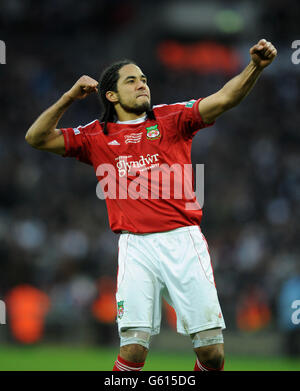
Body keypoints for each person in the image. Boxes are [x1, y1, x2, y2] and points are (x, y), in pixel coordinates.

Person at [25, 39, 277, 371]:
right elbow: (36, 137)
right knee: (133, 350)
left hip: (183, 241)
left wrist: (255, 66)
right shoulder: (96, 136)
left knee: (212, 354)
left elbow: (226, 98)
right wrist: (69, 98)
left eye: (143, 78)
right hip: (135, 247)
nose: (142, 83)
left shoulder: (173, 118)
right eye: (131, 80)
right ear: (111, 95)